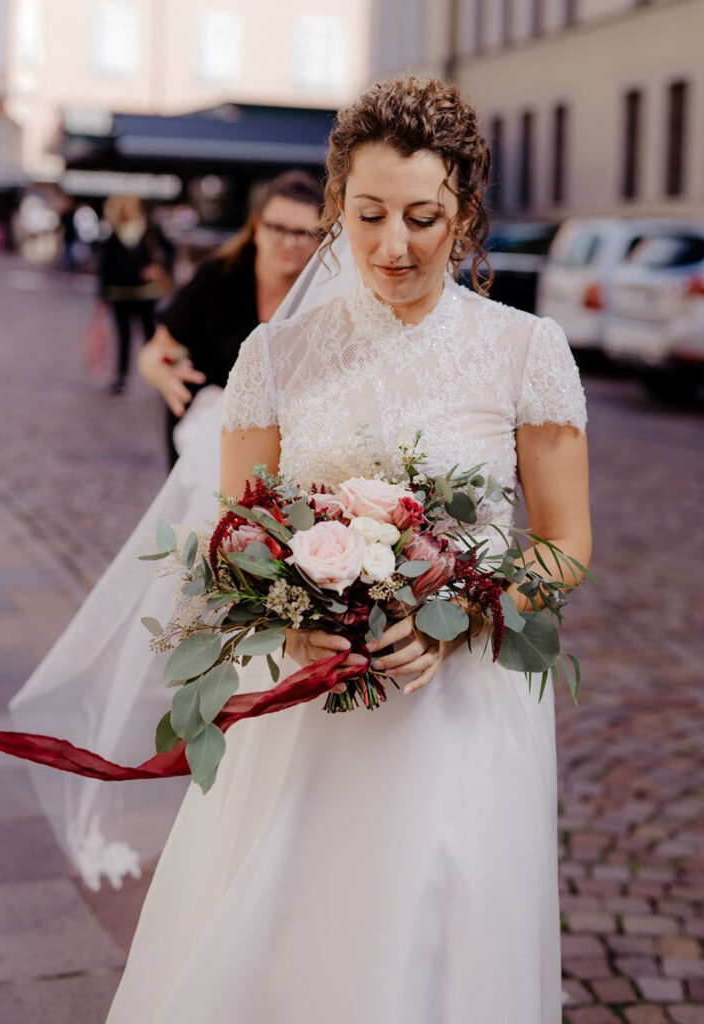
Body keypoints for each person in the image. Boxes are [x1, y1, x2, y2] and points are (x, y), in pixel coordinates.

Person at [105, 76, 591, 1022]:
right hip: (308, 705)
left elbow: (566, 543)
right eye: (368, 215)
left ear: (465, 212)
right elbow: (234, 536)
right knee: (285, 937)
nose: (392, 246)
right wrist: (285, 624)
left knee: (434, 939)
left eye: (423, 217)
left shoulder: (525, 352)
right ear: (335, 205)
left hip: (457, 705)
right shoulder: (273, 358)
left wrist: (467, 614)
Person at [138, 171, 323, 466]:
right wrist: (161, 374)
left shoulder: (323, 297)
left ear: (320, 239)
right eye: (277, 228)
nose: (288, 241)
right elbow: (155, 350)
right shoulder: (217, 278)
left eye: (302, 232)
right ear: (256, 227)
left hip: (283, 457)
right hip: (201, 443)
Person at [97, 194, 175, 395]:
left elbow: (170, 251)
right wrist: (102, 295)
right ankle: (121, 377)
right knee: (124, 338)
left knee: (151, 337)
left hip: (145, 294)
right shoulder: (114, 233)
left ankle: (159, 377)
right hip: (120, 293)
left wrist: (159, 269)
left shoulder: (150, 231)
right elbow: (105, 266)